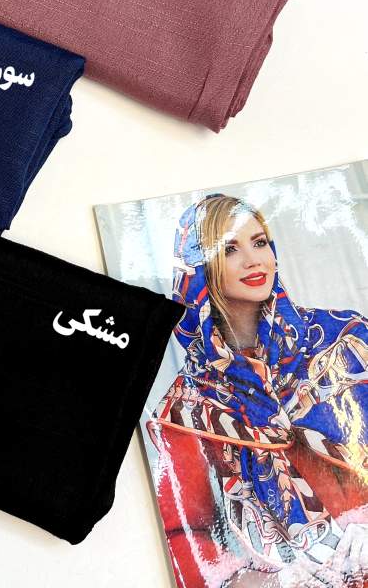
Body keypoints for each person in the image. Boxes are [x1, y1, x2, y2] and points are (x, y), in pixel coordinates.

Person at [148, 194, 368, 588]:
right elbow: (184, 534)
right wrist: (265, 581)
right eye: (229, 249)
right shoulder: (186, 407)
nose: (254, 260)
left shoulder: (347, 340)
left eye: (259, 242)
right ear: (199, 269)